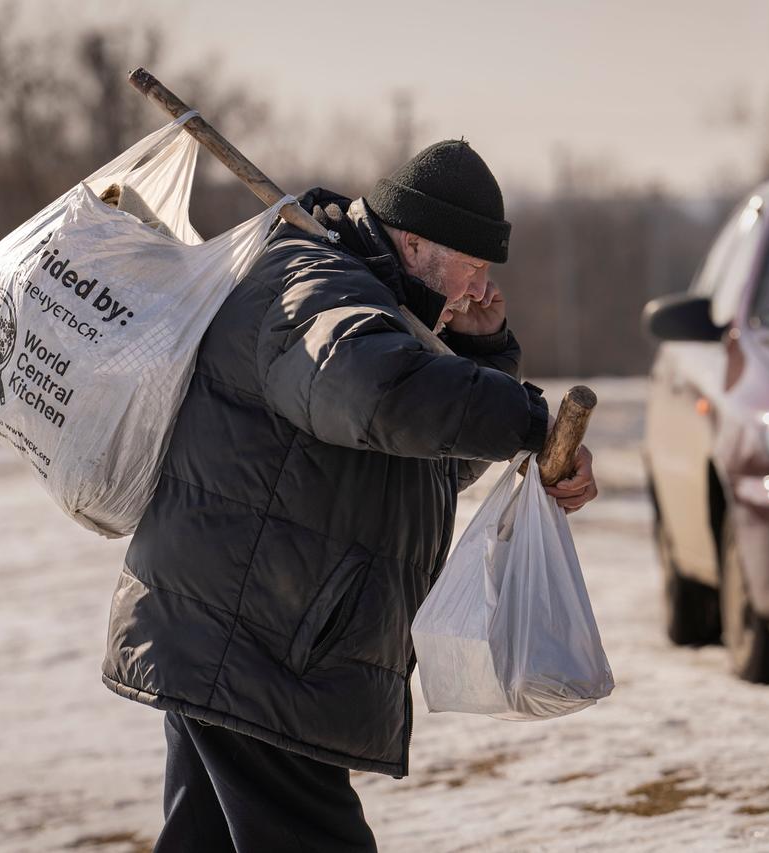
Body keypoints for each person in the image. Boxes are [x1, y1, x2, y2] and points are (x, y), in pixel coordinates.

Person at [101, 139, 599, 851]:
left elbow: (421, 465)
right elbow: (373, 394)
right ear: (415, 239)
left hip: (238, 633)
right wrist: (523, 417)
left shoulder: (383, 308)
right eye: (473, 263)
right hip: (255, 640)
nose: (480, 286)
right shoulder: (315, 286)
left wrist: (485, 358)